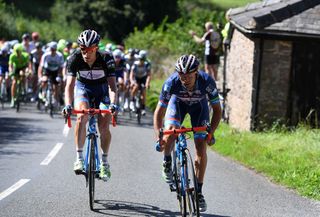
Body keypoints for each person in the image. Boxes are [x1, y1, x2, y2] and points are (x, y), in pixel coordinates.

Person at [153, 54, 221, 212]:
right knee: (170, 133)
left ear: (196, 72)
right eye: (181, 76)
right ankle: (167, 161)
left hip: (199, 107)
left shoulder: (207, 82)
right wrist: (159, 137)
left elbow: (217, 111)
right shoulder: (171, 83)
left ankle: (198, 192)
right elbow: (159, 112)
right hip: (177, 104)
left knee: (201, 147)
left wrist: (211, 133)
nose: (185, 80)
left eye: (188, 76)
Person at [62, 29, 117, 181]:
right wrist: (67, 104)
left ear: (97, 48)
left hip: (102, 91)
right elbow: (69, 86)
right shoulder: (74, 58)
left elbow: (113, 87)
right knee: (81, 116)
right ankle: (79, 158)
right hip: (83, 89)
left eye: (90, 50)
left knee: (105, 123)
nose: (86, 53)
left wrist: (113, 104)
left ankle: (104, 163)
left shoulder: (106, 58)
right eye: (83, 50)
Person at [38, 41, 64, 107]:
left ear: (56, 49)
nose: (52, 51)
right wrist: (40, 76)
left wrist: (60, 76)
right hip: (47, 70)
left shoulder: (60, 56)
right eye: (51, 49)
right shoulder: (46, 55)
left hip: (55, 71)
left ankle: (55, 99)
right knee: (44, 81)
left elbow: (61, 67)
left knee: (56, 86)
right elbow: (41, 66)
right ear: (50, 49)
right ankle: (43, 92)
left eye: (54, 50)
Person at [8, 43, 31, 108]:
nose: (18, 53)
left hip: (23, 68)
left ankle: (23, 89)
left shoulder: (26, 55)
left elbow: (28, 65)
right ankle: (13, 98)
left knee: (23, 75)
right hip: (16, 68)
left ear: (21, 51)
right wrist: (10, 71)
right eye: (16, 52)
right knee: (14, 82)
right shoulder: (12, 56)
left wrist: (29, 71)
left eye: (19, 52)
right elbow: (10, 65)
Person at [129, 50, 151, 116]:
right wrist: (132, 82)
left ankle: (143, 108)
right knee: (136, 86)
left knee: (143, 92)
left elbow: (149, 75)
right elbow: (131, 74)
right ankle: (132, 101)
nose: (142, 61)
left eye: (143, 60)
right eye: (141, 59)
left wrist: (147, 83)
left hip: (143, 78)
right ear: (139, 58)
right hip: (136, 78)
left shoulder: (147, 64)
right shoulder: (135, 64)